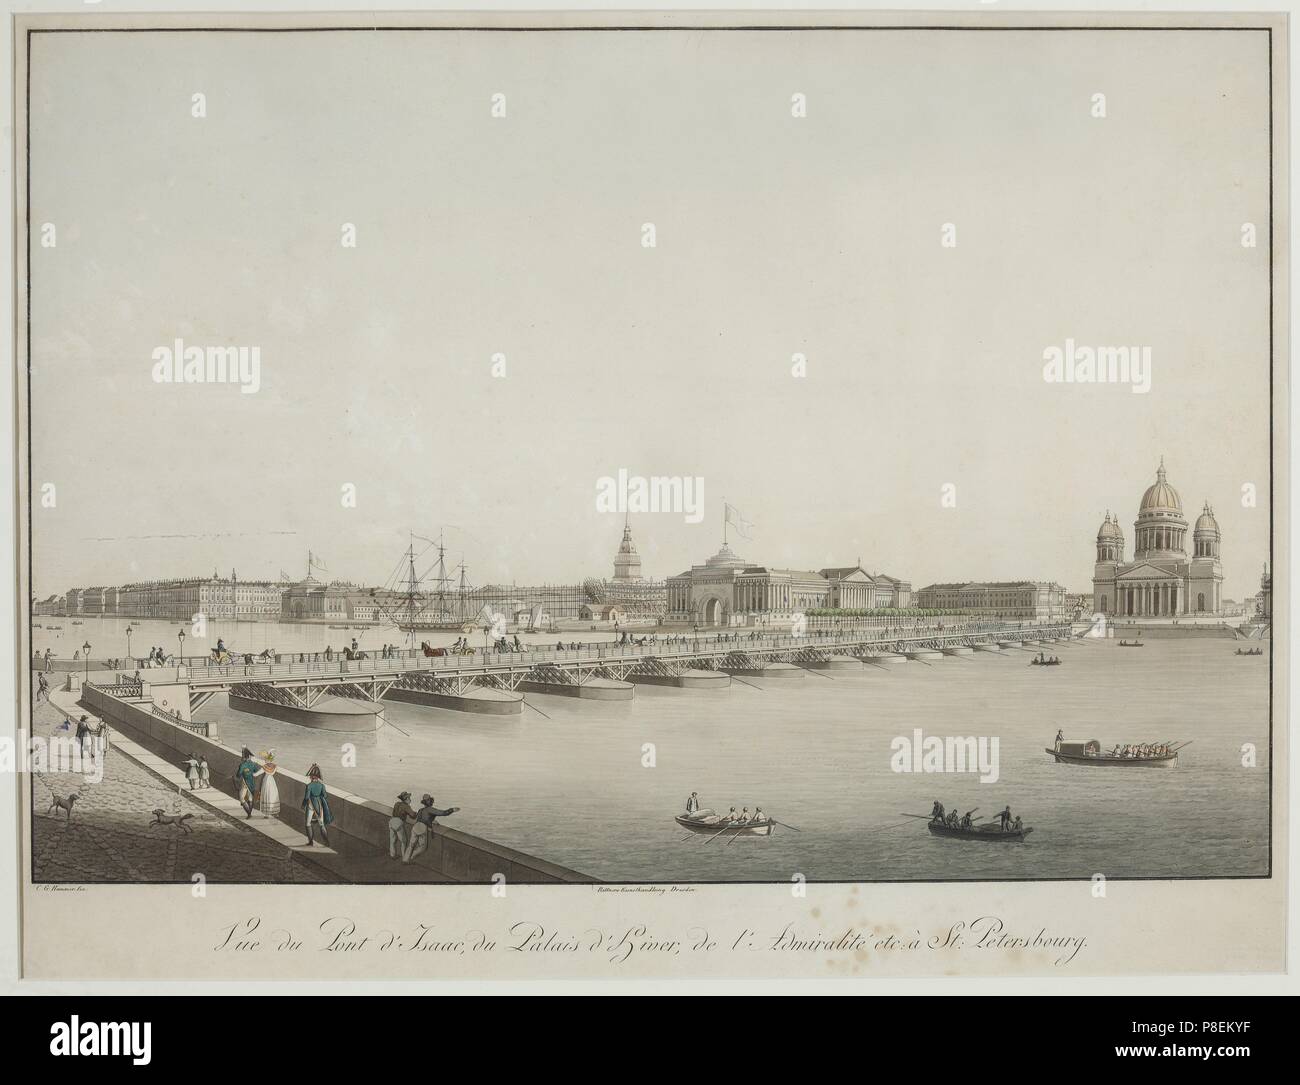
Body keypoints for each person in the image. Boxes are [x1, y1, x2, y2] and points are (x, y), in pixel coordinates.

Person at [402, 793, 460, 864]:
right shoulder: (431, 809)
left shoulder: (421, 810)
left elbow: (422, 818)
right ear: (430, 802)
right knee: (422, 847)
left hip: (415, 827)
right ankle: (411, 857)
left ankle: (405, 859)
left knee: (411, 845)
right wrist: (452, 809)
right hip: (422, 828)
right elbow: (443, 813)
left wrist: (431, 820)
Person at [302, 764, 333, 846]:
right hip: (319, 805)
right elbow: (325, 795)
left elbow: (306, 797)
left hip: (310, 805)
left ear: (312, 777)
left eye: (310, 776)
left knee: (308, 823)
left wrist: (303, 805)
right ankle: (326, 842)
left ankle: (310, 841)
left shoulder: (309, 786)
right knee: (321, 824)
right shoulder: (322, 785)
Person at [389, 791, 416, 859]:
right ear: (406, 799)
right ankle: (404, 857)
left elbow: (394, 813)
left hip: (392, 821)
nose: (410, 800)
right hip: (398, 823)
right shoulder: (406, 806)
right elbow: (413, 816)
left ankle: (392, 855)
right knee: (403, 841)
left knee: (392, 840)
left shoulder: (397, 804)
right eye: (409, 798)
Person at [254, 750, 280, 817]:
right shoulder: (275, 766)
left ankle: (267, 814)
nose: (264, 760)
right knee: (273, 795)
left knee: (266, 795)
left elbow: (256, 774)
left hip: (266, 781)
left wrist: (251, 772)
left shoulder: (265, 767)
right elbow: (274, 772)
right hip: (272, 781)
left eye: (265, 759)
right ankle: (275, 812)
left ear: (268, 760)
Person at [235, 747, 259, 818]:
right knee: (250, 799)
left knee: (242, 798)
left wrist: (240, 768)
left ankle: (249, 814)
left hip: (245, 783)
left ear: (244, 756)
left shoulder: (242, 765)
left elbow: (238, 775)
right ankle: (249, 814)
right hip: (251, 783)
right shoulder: (253, 764)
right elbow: (255, 771)